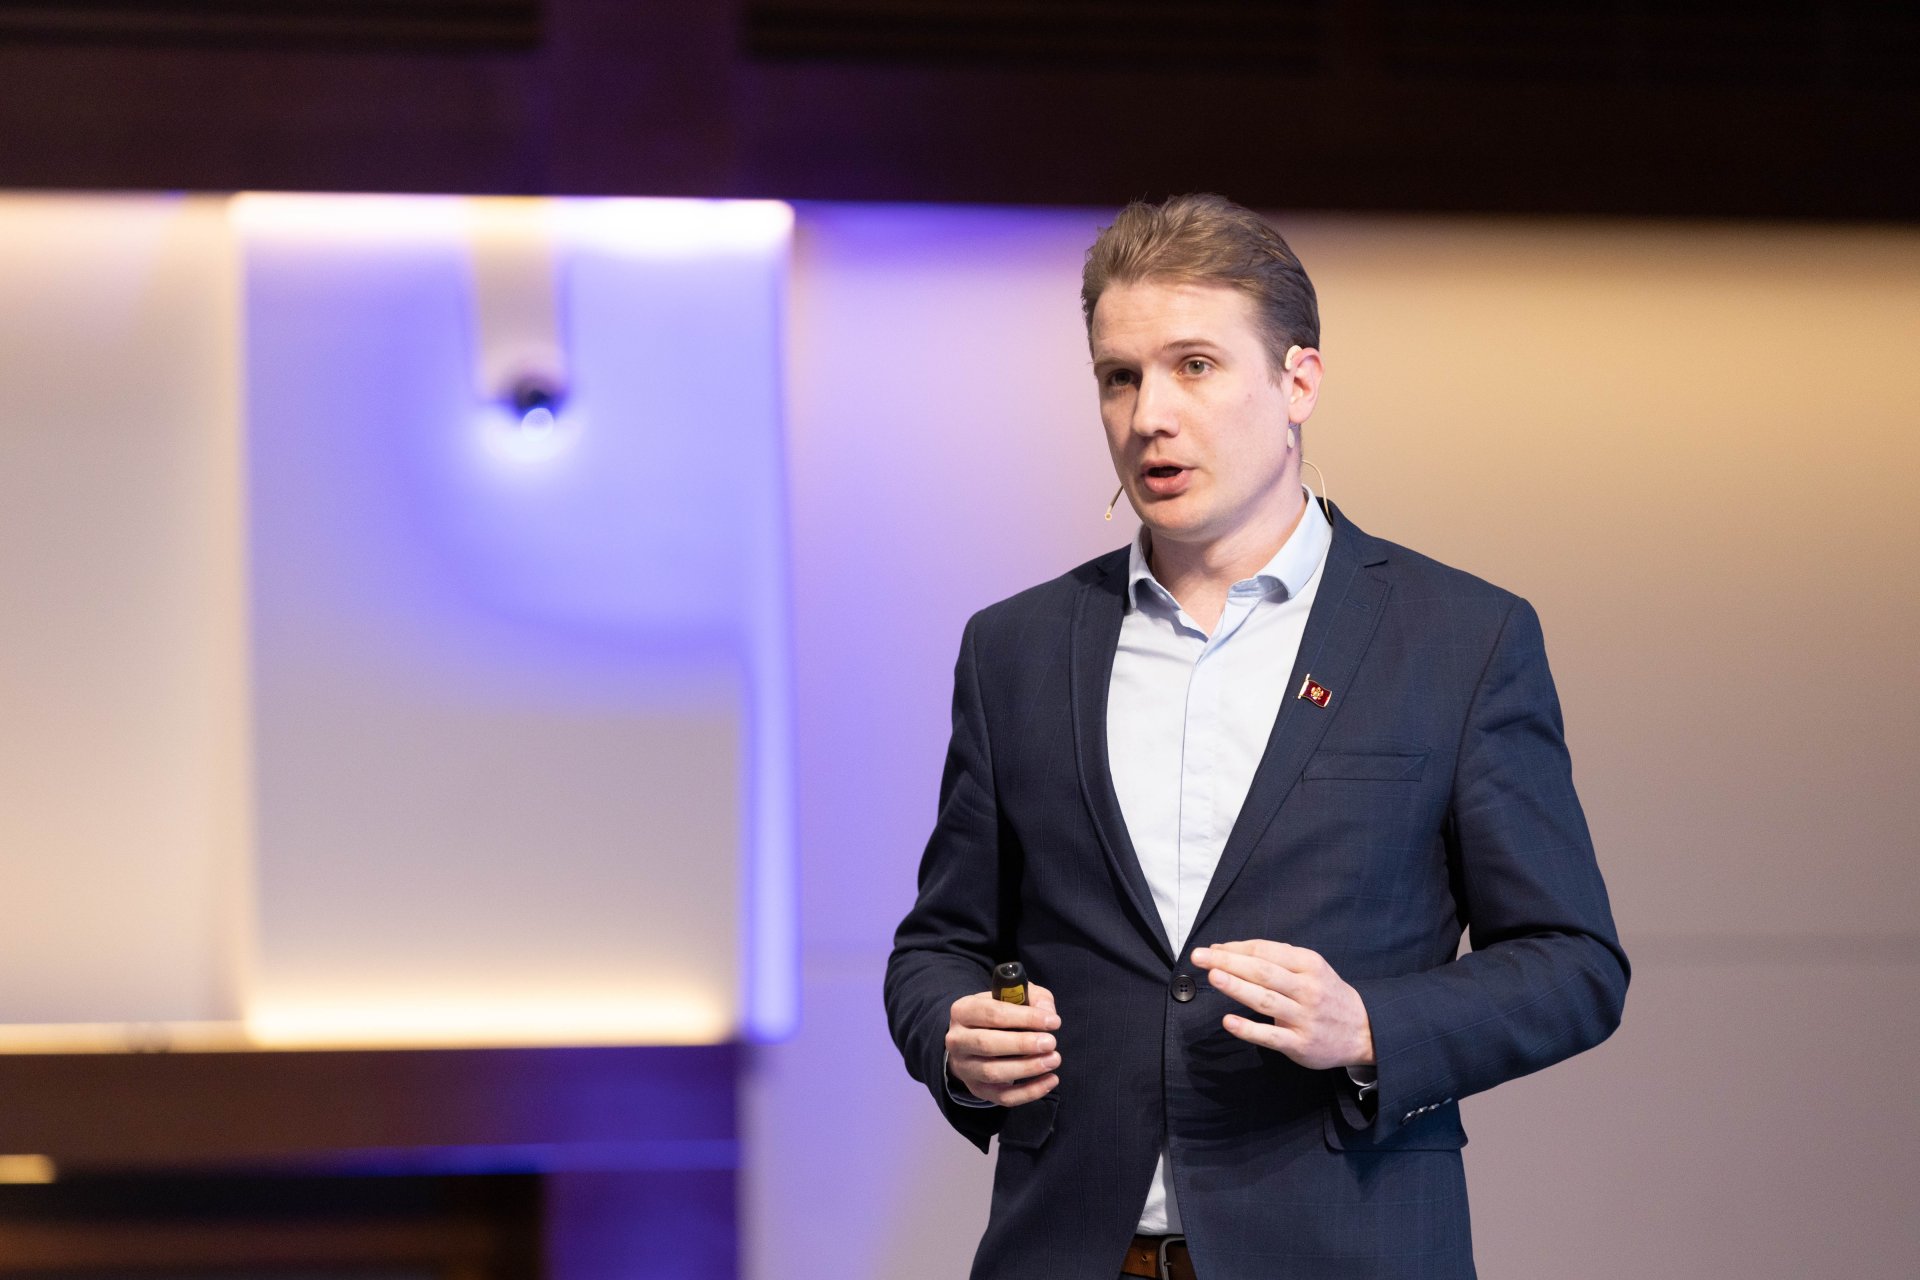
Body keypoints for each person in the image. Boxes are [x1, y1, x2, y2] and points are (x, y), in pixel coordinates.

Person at [883, 193, 1628, 1280]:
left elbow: (1573, 964)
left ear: (1298, 383)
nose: (1149, 415)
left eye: (1194, 366)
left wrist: (1370, 1024)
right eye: (1119, 376)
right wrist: (954, 1036)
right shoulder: (1016, 649)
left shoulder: (1461, 638)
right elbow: (938, 943)